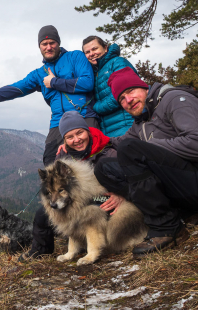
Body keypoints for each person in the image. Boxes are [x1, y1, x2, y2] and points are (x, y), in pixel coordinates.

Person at [94, 66, 197, 256]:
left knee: (131, 149)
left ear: (144, 87)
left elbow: (195, 141)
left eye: (130, 91)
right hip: (180, 186)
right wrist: (91, 140)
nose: (128, 101)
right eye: (122, 99)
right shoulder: (141, 121)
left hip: (193, 179)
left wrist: (152, 146)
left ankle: (166, 227)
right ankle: (175, 213)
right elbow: (118, 144)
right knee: (103, 167)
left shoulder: (174, 100)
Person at [0, 25, 99, 166]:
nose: (48, 47)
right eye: (44, 44)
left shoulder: (75, 57)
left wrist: (54, 82)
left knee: (91, 161)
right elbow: (18, 88)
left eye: (52, 43)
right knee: (50, 164)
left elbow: (87, 82)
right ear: (39, 47)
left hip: (84, 115)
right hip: (58, 122)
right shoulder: (39, 73)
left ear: (58, 43)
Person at [19, 110, 124, 261]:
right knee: (42, 215)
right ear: (64, 140)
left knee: (88, 213)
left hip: (105, 197)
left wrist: (122, 195)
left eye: (79, 133)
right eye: (69, 137)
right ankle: (40, 250)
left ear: (87, 131)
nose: (76, 140)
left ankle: (95, 249)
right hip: (77, 197)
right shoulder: (63, 155)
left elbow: (128, 179)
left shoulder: (107, 150)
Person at [82, 36, 137, 137]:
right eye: (87, 52)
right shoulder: (93, 74)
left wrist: (95, 108)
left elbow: (124, 93)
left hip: (127, 126)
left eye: (95, 49)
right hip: (108, 132)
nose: (92, 54)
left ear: (105, 48)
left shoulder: (117, 63)